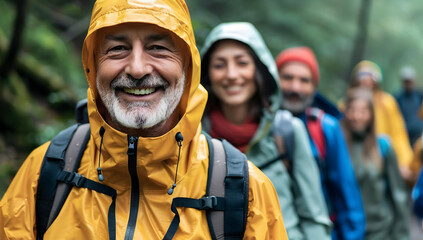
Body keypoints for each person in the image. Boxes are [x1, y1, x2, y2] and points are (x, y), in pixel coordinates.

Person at [0, 0, 288, 239]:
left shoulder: (247, 192)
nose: (137, 69)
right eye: (117, 49)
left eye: (158, 48)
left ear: (189, 66)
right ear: (93, 66)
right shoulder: (44, 172)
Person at [201, 22, 331, 240]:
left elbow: (314, 216)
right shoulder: (193, 136)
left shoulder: (287, 131)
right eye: (219, 65)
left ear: (260, 69)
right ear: (207, 74)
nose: (231, 74)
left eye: (242, 63)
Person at [276, 46, 366, 240]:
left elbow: (346, 195)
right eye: (288, 77)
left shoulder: (326, 128)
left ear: (314, 87)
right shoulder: (257, 124)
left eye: (304, 80)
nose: (295, 87)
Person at [341, 87, 409, 240]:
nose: (357, 116)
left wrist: (402, 235)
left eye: (363, 111)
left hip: (381, 232)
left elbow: (398, 195)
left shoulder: (382, 146)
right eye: (352, 110)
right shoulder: (337, 146)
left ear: (371, 114)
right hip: (347, 231)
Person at [349, 60, 413, 181]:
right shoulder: (346, 104)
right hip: (353, 159)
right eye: (361, 75)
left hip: (382, 158)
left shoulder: (387, 102)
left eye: (370, 75)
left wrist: (403, 162)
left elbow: (398, 133)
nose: (365, 79)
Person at [395, 66, 423, 146]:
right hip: (404, 133)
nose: (408, 84)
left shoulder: (419, 94)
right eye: (406, 81)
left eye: (409, 81)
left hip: (418, 132)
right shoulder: (398, 97)